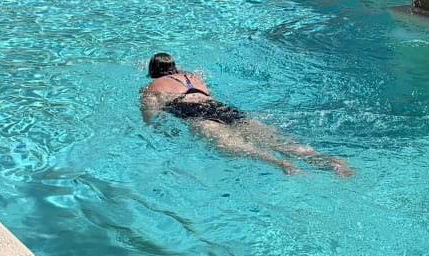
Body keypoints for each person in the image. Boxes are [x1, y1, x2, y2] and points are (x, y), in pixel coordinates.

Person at [139, 52, 352, 176]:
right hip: (221, 107)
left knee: (227, 144)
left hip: (192, 111)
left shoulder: (151, 87)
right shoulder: (193, 76)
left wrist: (154, 127)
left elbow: (149, 115)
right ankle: (329, 160)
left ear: (152, 72)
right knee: (273, 139)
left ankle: (280, 164)